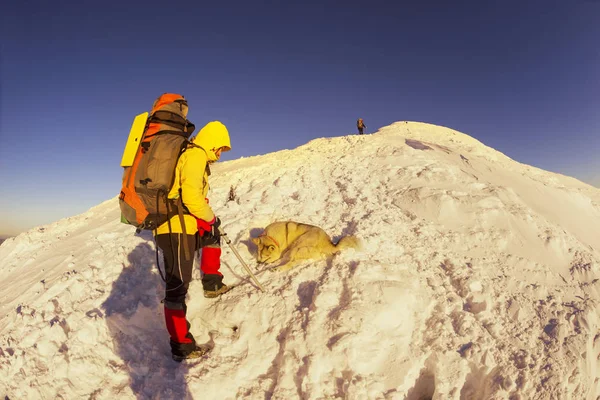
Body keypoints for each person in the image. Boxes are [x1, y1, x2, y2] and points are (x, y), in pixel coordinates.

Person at [155, 120, 232, 361]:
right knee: (177, 288)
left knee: (212, 236)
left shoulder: (195, 156)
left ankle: (212, 283)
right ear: (212, 142)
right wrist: (211, 217)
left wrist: (208, 222)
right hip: (175, 228)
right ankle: (181, 345)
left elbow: (188, 196)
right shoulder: (196, 155)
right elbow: (190, 196)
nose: (220, 154)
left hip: (182, 224)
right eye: (220, 148)